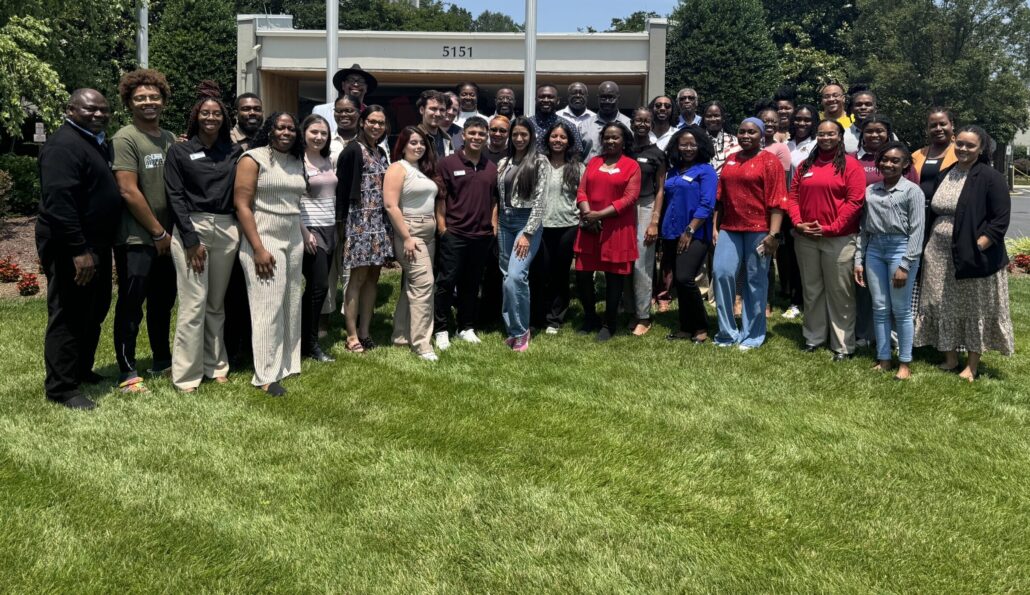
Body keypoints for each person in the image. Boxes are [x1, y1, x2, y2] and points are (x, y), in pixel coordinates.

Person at [36, 89, 121, 410]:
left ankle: (81, 369)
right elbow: (59, 201)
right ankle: (61, 387)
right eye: (90, 109)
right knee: (69, 312)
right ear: (70, 110)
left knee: (94, 308)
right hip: (72, 245)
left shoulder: (93, 141)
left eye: (103, 109)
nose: (98, 114)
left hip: (96, 242)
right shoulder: (63, 145)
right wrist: (78, 249)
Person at [914, 125, 1013, 382]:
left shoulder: (991, 177)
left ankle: (972, 365)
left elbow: (1000, 221)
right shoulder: (947, 172)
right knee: (941, 302)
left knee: (974, 308)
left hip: (974, 254)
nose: (963, 149)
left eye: (970, 145)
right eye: (960, 144)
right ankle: (950, 358)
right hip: (938, 252)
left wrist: (979, 245)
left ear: (981, 149)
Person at [165, 82, 243, 393]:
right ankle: (186, 375)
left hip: (226, 228)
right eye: (205, 113)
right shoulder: (180, 151)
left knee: (215, 303)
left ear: (224, 118)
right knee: (193, 304)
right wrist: (190, 239)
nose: (211, 118)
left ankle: (216, 365)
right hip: (192, 227)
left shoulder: (234, 152)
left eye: (216, 113)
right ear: (196, 117)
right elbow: (175, 196)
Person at [110, 68, 178, 394]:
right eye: (140, 98)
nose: (148, 102)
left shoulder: (169, 138)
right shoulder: (125, 138)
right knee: (131, 304)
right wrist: (157, 232)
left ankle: (162, 359)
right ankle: (127, 371)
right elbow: (128, 190)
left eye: (154, 96)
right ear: (129, 102)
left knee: (162, 302)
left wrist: (168, 234)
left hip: (167, 237)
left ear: (163, 100)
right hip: (136, 238)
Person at [234, 112, 307, 396]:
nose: (286, 132)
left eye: (291, 128)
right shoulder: (253, 158)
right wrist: (258, 248)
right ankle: (265, 374)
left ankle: (287, 363)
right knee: (268, 305)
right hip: (264, 238)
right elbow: (242, 205)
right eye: (280, 127)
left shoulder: (297, 160)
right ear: (270, 129)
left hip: (293, 238)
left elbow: (295, 203)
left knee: (290, 302)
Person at [787, 119, 867, 360]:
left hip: (839, 238)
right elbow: (792, 196)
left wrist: (832, 228)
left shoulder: (851, 165)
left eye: (831, 134)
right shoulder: (806, 165)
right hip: (806, 237)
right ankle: (814, 337)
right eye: (821, 134)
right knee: (812, 290)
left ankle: (842, 345)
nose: (826, 138)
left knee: (840, 293)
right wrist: (798, 223)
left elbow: (855, 201)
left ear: (840, 137)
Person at [711, 117, 788, 350]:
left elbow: (778, 201)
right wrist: (715, 227)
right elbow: (720, 198)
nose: (745, 136)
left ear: (761, 135)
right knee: (722, 273)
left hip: (759, 229)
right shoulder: (731, 159)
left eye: (751, 132)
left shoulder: (770, 161)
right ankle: (727, 332)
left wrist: (773, 235)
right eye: (742, 131)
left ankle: (753, 334)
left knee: (755, 281)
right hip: (730, 228)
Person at [854, 142, 925, 380]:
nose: (888, 164)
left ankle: (905, 362)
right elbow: (864, 228)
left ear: (905, 164)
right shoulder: (871, 191)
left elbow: (917, 231)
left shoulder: (912, 191)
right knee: (880, 307)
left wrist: (905, 264)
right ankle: (883, 358)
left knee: (901, 309)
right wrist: (859, 259)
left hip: (900, 249)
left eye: (895, 160)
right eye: (884, 159)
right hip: (875, 249)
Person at [433, 117, 498, 349]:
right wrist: (443, 229)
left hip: (481, 236)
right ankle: (441, 329)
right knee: (446, 282)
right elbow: (441, 198)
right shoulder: (447, 163)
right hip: (455, 233)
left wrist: (493, 226)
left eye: (481, 134)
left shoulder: (491, 167)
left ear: (486, 137)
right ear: (464, 135)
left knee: (471, 283)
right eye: (472, 133)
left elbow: (494, 200)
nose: (476, 137)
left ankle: (466, 327)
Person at [574, 121, 641, 341]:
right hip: (590, 227)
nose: (610, 141)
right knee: (583, 274)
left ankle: (609, 323)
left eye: (615, 137)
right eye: (607, 137)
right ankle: (590, 317)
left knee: (614, 278)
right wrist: (588, 214)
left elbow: (629, 198)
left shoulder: (632, 166)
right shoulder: (594, 162)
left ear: (624, 141)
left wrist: (599, 215)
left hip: (617, 229)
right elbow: (582, 191)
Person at [337, 106, 393, 353]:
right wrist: (341, 225)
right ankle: (351, 336)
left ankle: (365, 331)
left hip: (379, 222)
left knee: (373, 277)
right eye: (372, 121)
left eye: (381, 123)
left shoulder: (380, 151)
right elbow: (342, 189)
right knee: (357, 278)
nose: (376, 126)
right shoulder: (352, 150)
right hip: (359, 221)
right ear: (362, 122)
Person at [384, 127, 441, 362]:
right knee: (424, 284)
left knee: (413, 285)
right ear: (403, 145)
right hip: (410, 232)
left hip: (429, 232)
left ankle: (400, 336)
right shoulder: (398, 168)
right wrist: (406, 237)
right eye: (413, 142)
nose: (418, 147)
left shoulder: (422, 169)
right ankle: (422, 343)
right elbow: (391, 205)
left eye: (422, 143)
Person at [661, 125, 717, 343]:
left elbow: (707, 204)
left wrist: (690, 230)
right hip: (671, 232)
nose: (688, 148)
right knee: (678, 281)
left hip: (695, 233)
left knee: (685, 278)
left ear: (701, 146)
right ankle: (685, 327)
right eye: (683, 144)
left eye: (693, 144)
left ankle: (701, 325)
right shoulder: (673, 171)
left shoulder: (706, 171)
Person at [529, 120, 585, 333]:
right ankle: (538, 315)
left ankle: (555, 318)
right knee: (540, 272)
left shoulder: (578, 167)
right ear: (547, 139)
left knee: (560, 273)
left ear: (569, 141)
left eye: (563, 137)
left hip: (568, 225)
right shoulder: (537, 164)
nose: (558, 140)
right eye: (554, 136)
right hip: (541, 225)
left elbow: (583, 197)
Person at [496, 117, 546, 350]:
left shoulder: (539, 161)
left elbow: (540, 201)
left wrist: (528, 233)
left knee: (517, 276)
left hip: (525, 223)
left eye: (523, 134)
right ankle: (512, 329)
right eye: (515, 134)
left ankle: (522, 331)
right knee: (507, 278)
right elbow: (499, 197)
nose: (519, 138)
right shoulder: (503, 162)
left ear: (531, 137)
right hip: (505, 222)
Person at [297, 115, 337, 363]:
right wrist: (304, 232)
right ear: (304, 133)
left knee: (318, 289)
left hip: (330, 229)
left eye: (323, 133)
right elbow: (292, 200)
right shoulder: (297, 162)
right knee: (318, 286)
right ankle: (310, 344)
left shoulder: (327, 160)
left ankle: (303, 338)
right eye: (314, 132)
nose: (319, 137)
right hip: (310, 230)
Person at [627, 107, 667, 336]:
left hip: (645, 205)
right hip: (623, 208)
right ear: (631, 123)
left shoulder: (657, 154)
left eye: (646, 121)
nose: (642, 124)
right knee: (625, 262)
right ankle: (630, 310)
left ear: (651, 125)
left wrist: (654, 221)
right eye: (638, 120)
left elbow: (660, 189)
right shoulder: (624, 149)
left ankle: (643, 315)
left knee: (641, 263)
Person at [779, 104, 820, 320]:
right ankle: (795, 300)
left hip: (807, 206)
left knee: (808, 256)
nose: (802, 123)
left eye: (807, 119)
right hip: (785, 207)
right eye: (798, 119)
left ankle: (810, 299)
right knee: (791, 256)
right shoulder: (786, 145)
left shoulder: (816, 145)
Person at [312, 63, 377, 136]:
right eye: (351, 80)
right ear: (343, 85)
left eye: (361, 81)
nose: (356, 84)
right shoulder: (321, 111)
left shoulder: (373, 114)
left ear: (366, 88)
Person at [912, 108, 957, 201]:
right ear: (927, 129)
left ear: (952, 125)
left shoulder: (961, 153)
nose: (938, 129)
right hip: (918, 207)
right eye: (933, 125)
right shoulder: (916, 155)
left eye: (942, 124)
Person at [529, 84, 583, 155]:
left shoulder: (569, 126)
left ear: (558, 100)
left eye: (550, 97)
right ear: (535, 100)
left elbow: (577, 153)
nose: (546, 100)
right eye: (542, 97)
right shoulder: (527, 125)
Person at [584, 81, 632, 160]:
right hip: (589, 167)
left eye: (611, 97)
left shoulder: (629, 125)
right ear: (598, 98)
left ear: (618, 98)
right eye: (603, 97)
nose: (607, 101)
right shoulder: (584, 126)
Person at [702, 101, 739, 175]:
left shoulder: (735, 142)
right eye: (709, 116)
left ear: (723, 118)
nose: (713, 119)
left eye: (716, 115)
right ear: (704, 119)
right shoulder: (696, 140)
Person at [556, 82, 596, 147]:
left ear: (587, 97)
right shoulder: (557, 116)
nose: (578, 95)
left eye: (581, 93)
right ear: (568, 96)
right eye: (574, 93)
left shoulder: (594, 118)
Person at [415, 90, 452, 160]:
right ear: (422, 110)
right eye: (433, 109)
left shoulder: (447, 138)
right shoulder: (412, 137)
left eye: (442, 110)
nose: (438, 114)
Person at [843, 88, 880, 153]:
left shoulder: (886, 135)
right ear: (851, 109)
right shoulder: (842, 136)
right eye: (858, 105)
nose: (863, 107)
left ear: (875, 109)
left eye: (868, 104)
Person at [758, 106, 793, 174]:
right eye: (765, 121)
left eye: (774, 122)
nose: (770, 124)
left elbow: (783, 176)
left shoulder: (781, 148)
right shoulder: (752, 145)